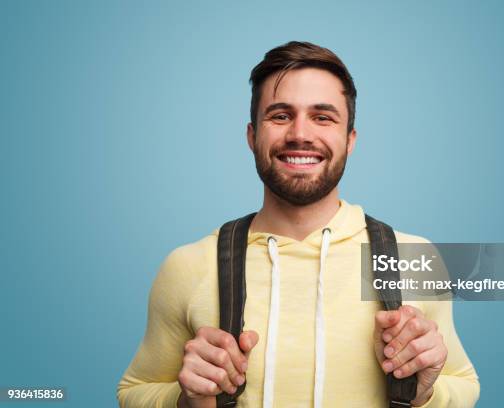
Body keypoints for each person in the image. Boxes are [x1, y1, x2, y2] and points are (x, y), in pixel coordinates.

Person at [117, 41, 479, 408]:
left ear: (349, 139)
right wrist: (187, 400)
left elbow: (464, 384)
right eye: (280, 115)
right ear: (251, 136)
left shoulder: (414, 258)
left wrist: (426, 393)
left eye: (323, 117)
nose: (300, 134)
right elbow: (134, 392)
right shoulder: (189, 266)